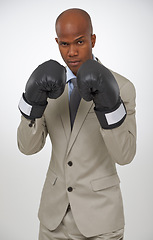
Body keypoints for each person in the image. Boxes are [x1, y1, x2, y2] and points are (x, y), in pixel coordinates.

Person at [17, 8, 136, 240]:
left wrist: (109, 107)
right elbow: (27, 147)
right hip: (53, 219)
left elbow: (125, 155)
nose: (71, 52)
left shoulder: (122, 87)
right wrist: (32, 104)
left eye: (80, 42)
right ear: (57, 42)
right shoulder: (49, 86)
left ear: (92, 39)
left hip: (100, 219)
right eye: (64, 44)